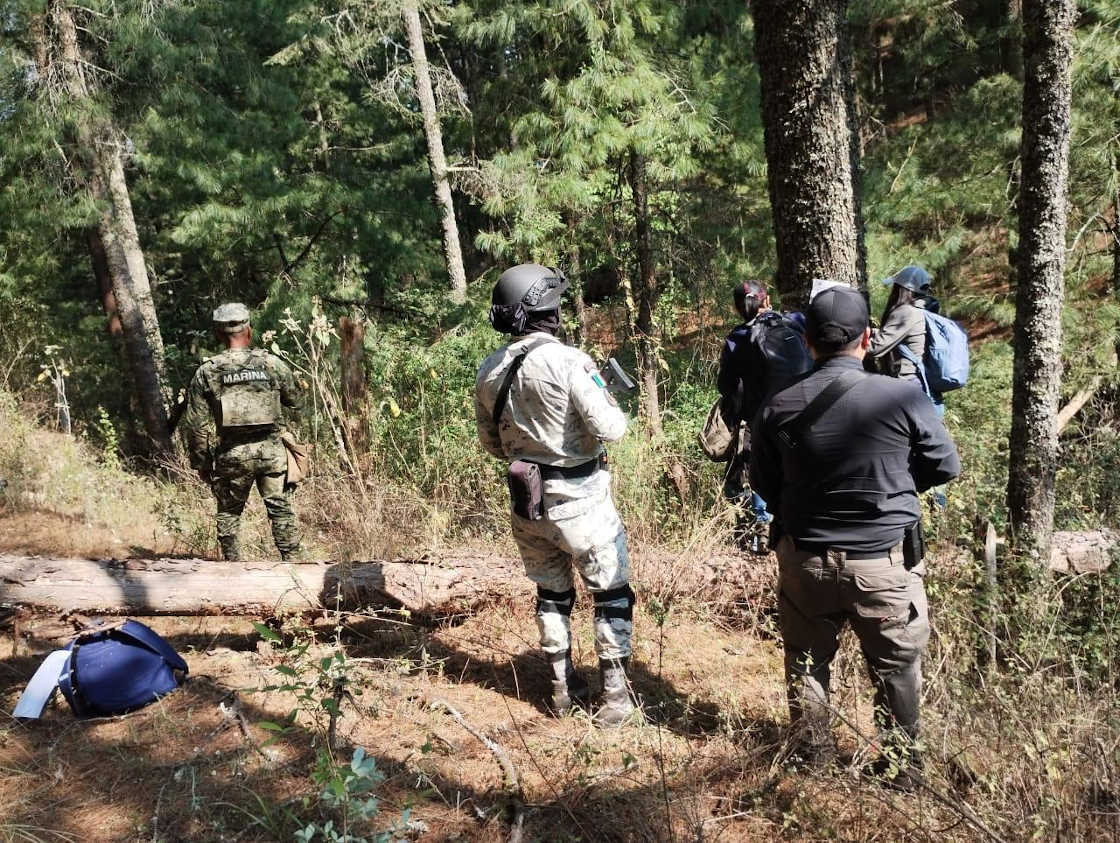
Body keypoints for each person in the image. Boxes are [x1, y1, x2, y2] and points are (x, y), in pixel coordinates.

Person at [750, 285, 960, 788]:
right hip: (885, 565)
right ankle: (903, 772)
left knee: (806, 665)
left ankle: (813, 766)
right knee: (896, 670)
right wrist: (895, 485)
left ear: (807, 339)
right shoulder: (903, 395)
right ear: (867, 337)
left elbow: (764, 485)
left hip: (806, 563)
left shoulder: (777, 406)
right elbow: (945, 464)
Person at [475, 263, 637, 726]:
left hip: (527, 502)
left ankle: (563, 689)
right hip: (582, 500)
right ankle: (616, 702)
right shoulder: (570, 361)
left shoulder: (490, 370)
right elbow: (612, 428)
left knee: (551, 594)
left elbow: (491, 444)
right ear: (546, 309)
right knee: (610, 595)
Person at [181, 303, 303, 562]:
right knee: (280, 511)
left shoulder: (207, 371)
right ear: (249, 330)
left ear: (218, 334)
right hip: (271, 454)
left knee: (229, 515)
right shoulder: (272, 364)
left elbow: (196, 425)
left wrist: (202, 462)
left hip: (232, 456)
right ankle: (296, 568)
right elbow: (296, 401)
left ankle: (233, 571)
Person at [716, 280, 811, 551]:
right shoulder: (796, 321)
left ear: (737, 308)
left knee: (762, 472)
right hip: (806, 412)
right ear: (766, 301)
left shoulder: (737, 338)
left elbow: (725, 385)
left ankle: (762, 538)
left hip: (763, 419)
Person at [869, 265, 942, 411]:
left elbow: (874, 348)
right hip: (918, 384)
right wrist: (873, 331)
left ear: (901, 289)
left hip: (905, 386)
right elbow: (904, 338)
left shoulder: (906, 312)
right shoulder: (923, 310)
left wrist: (844, 343)